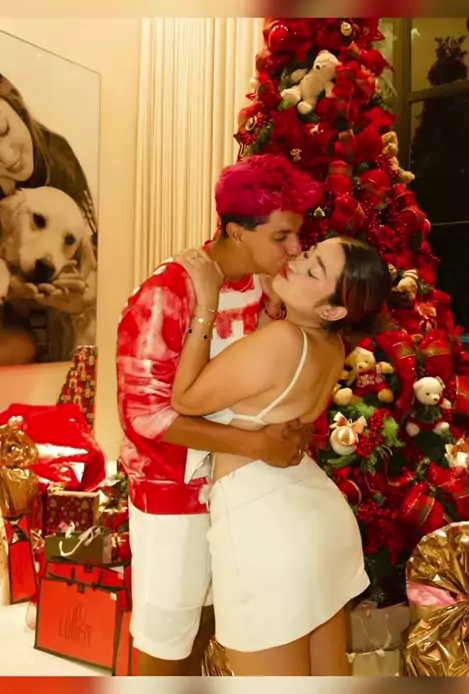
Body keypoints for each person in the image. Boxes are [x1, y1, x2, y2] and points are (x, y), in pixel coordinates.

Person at [116, 153, 322, 676]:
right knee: (169, 641)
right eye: (281, 236)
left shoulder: (265, 289)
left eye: (296, 234)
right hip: (172, 494)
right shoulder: (167, 292)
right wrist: (256, 445)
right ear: (236, 231)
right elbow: (145, 417)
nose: (294, 248)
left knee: (215, 630)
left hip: (240, 491)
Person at [171, 235, 391, 676]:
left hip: (267, 530)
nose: (297, 261)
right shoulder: (330, 346)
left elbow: (185, 399)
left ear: (333, 310)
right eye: (309, 253)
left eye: (313, 270)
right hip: (311, 520)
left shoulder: (283, 340)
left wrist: (206, 305)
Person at [0, 73, 96, 361]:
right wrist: (10, 288)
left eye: (3, 130)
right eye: (38, 221)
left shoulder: (60, 161)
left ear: (16, 106)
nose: (7, 158)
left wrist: (79, 302)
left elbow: (93, 274)